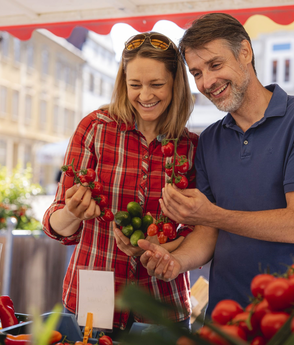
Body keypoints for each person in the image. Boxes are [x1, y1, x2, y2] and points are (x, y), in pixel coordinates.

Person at [138, 12, 294, 319]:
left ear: (245, 52)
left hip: (293, 318)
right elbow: (208, 233)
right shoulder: (209, 141)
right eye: (196, 73)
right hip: (224, 317)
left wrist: (212, 214)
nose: (206, 82)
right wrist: (176, 262)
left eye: (215, 65)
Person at [41, 32, 198, 339]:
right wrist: (73, 212)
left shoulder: (191, 147)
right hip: (94, 302)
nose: (144, 95)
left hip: (162, 305)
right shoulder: (95, 128)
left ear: (175, 84)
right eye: (135, 84)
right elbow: (54, 224)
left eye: (156, 84)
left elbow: (196, 230)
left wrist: (160, 251)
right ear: (123, 83)